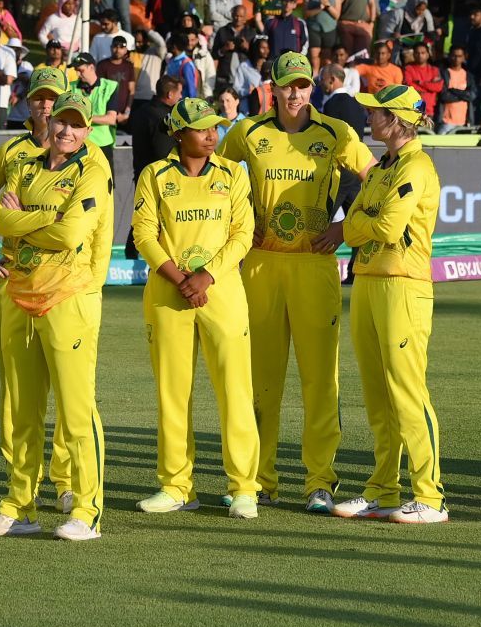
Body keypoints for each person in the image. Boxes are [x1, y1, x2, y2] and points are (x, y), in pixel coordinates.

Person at [218, 51, 375, 512]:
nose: (295, 93)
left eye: (303, 85)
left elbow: (375, 177)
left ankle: (319, 482)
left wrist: (345, 228)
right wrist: (240, 227)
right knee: (260, 382)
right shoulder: (248, 132)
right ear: (273, 86)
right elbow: (215, 179)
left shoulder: (336, 132)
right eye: (287, 85)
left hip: (314, 264)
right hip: (261, 265)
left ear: (314, 88)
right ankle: (257, 480)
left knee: (319, 380)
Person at [0, 89, 111, 541]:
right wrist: (40, 221)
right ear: (49, 123)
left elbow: (72, 232)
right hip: (18, 294)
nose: (66, 131)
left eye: (76, 124)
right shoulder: (27, 164)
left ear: (87, 130)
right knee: (24, 409)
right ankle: (20, 507)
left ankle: (87, 511)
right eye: (61, 123)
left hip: (69, 297)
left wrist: (24, 219)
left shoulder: (93, 170)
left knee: (76, 410)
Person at [130, 97, 260, 519]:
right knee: (173, 393)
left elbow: (243, 233)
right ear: (179, 133)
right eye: (202, 128)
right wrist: (180, 278)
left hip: (221, 293)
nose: (211, 135)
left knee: (235, 392)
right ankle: (175, 486)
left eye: (215, 127)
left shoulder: (232, 175)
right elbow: (144, 234)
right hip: (169, 295)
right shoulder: (154, 175)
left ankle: (244, 488)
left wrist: (207, 276)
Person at [332, 85, 449, 524]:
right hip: (367, 280)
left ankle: (431, 496)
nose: (369, 118)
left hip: (403, 284)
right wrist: (360, 224)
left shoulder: (417, 166)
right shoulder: (383, 166)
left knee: (406, 390)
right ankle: (383, 489)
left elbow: (384, 225)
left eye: (376, 112)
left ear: (397, 119)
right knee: (378, 394)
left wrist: (358, 224)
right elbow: (357, 221)